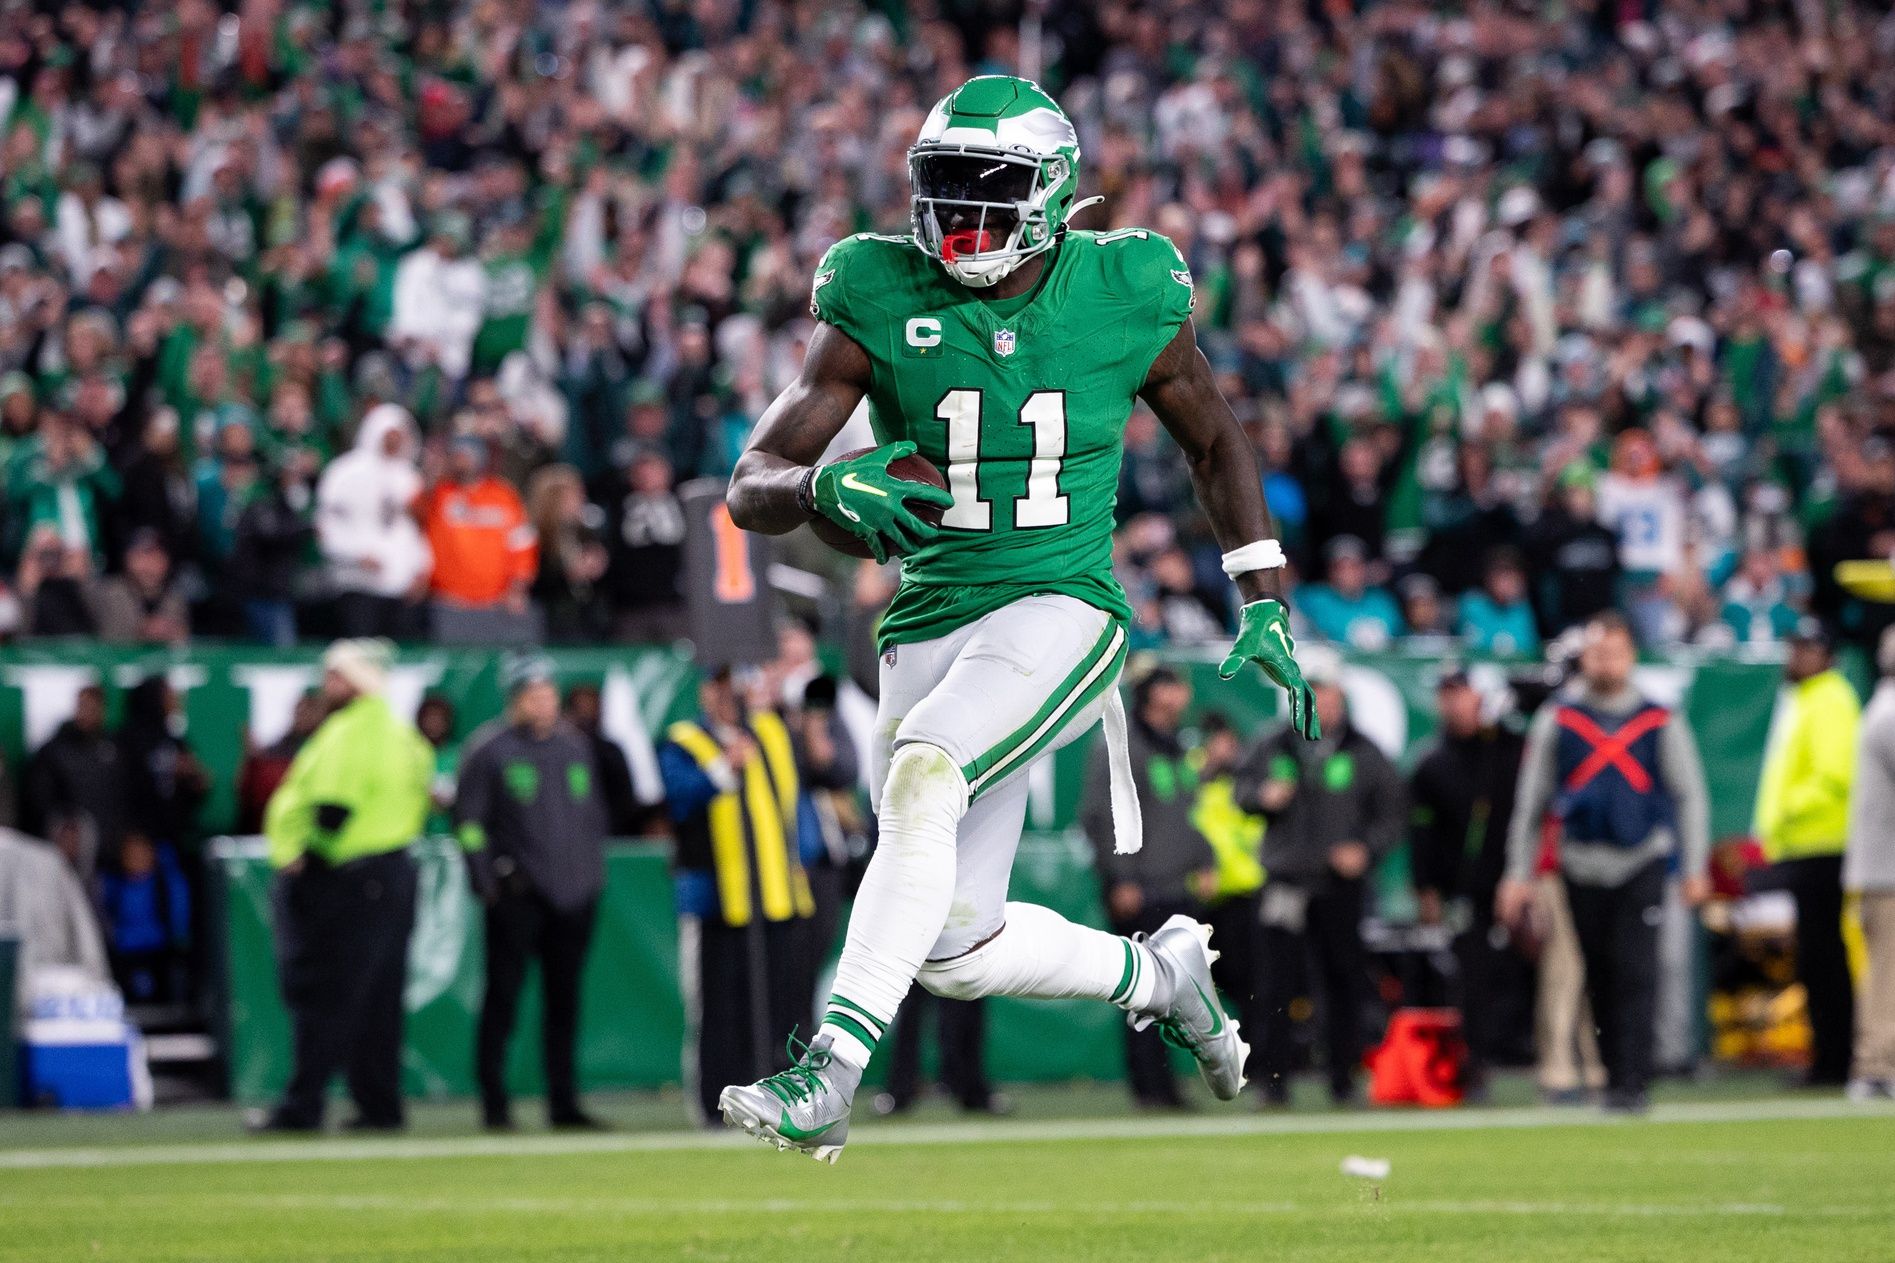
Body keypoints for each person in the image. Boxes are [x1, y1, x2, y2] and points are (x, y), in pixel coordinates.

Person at [718, 75, 1316, 1160]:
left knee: (921, 777)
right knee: (952, 943)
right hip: (928, 616)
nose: (961, 218)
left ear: (1050, 194)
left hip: (1060, 604)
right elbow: (751, 478)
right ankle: (1161, 973)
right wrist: (816, 492)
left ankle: (830, 1074)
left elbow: (1215, 439)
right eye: (944, 189)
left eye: (987, 192)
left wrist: (1263, 598)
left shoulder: (1125, 282)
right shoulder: (873, 284)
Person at [1498, 612, 1711, 1112]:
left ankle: (1634, 1081)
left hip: (1641, 859)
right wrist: (1517, 874)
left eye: (1615, 652)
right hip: (1580, 862)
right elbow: (1531, 805)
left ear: (1631, 657)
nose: (1606, 662)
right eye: (1597, 652)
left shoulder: (1660, 719)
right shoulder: (1560, 719)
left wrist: (1695, 864)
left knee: (1638, 970)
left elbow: (1689, 795)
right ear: (1584, 658)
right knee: (1599, 971)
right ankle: (1614, 1076)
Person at [254, 639, 433, 1133]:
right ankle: (380, 1103)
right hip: (391, 874)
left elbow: (332, 807)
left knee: (329, 996)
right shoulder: (397, 731)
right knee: (378, 998)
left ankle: (304, 1103)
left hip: (351, 876)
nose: (325, 685)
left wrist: (305, 858)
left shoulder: (353, 731)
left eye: (334, 677)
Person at [1235, 645, 1406, 1105]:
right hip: (1286, 880)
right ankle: (1272, 1081)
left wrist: (1365, 850)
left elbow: (1392, 815)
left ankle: (1343, 1078)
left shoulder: (1364, 752)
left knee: (1344, 980)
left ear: (1341, 698)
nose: (1320, 703)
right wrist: (1261, 795)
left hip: (1338, 883)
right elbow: (1241, 790)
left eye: (1327, 694)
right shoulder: (1274, 744)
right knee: (1274, 984)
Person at [454, 656, 611, 1131]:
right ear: (514, 700)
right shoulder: (489, 751)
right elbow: (468, 823)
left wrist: (589, 877)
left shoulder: (575, 747)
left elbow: (591, 817)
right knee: (503, 998)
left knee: (564, 1003)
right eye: (533, 696)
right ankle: (494, 1102)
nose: (544, 705)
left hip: (572, 897)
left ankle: (564, 1103)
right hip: (518, 895)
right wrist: (487, 880)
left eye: (549, 695)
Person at [659, 669, 817, 1124]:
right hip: (718, 901)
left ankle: (785, 1097)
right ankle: (717, 1104)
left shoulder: (769, 732)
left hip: (778, 895)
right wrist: (721, 768)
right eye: (720, 687)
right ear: (706, 691)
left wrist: (801, 858)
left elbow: (795, 798)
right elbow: (677, 798)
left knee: (783, 1005)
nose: (729, 698)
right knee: (720, 1008)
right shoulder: (685, 740)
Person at [1082, 666, 1216, 1109]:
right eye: (1171, 684)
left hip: (1176, 887)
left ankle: (1166, 1085)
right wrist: (1121, 879)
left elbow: (1187, 814)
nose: (1181, 693)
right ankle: (1149, 1088)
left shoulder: (1177, 745)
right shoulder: (1121, 743)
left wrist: (1205, 861)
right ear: (1153, 693)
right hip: (1141, 887)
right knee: (1145, 993)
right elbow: (1101, 815)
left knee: (1175, 993)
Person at [1409, 667, 1528, 1095]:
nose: (1453, 704)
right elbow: (1421, 833)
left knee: (1526, 971)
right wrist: (1426, 888)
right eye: (1446, 695)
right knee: (1470, 979)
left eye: (1460, 693)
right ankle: (1475, 1062)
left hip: (1515, 880)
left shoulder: (1507, 748)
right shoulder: (1432, 762)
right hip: (1465, 889)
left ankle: (1528, 1049)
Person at [1753, 620, 1862, 1087]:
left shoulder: (1830, 699)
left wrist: (1786, 813)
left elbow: (1834, 775)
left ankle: (1835, 1061)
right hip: (1809, 844)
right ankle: (1829, 1056)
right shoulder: (1810, 699)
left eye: (1803, 650)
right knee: (1817, 958)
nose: (1793, 658)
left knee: (1825, 959)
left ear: (1826, 655)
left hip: (1824, 844)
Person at [314, 404, 430, 639]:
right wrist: (356, 555)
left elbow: (415, 529)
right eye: (390, 435)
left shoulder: (410, 478)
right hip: (358, 582)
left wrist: (422, 568)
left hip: (400, 584)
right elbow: (325, 527)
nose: (395, 442)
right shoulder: (345, 472)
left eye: (400, 436)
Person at [418, 435, 539, 642]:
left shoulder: (503, 495)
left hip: (496, 603)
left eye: (466, 455)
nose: (461, 460)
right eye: (456, 455)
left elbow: (523, 543)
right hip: (449, 601)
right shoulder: (439, 493)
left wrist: (517, 587)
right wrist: (433, 470)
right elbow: (414, 509)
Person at [1846, 626, 1895, 1101]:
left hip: (1881, 868)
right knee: (1886, 973)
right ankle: (1877, 1066)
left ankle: (1877, 1064)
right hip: (1887, 872)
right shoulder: (1891, 712)